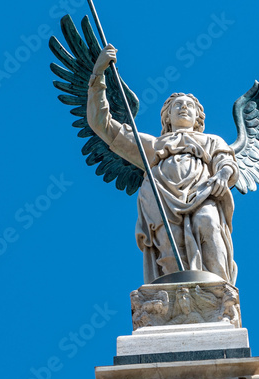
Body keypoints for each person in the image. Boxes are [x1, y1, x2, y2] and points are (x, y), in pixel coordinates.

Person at [87, 45, 239, 284]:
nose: (183, 107)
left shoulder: (211, 140)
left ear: (198, 118)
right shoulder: (151, 145)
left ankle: (219, 292)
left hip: (202, 192)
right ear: (167, 116)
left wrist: (222, 175)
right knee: (169, 245)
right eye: (177, 105)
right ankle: (174, 298)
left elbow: (226, 161)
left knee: (208, 222)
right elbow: (102, 124)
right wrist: (98, 75)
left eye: (189, 105)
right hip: (159, 196)